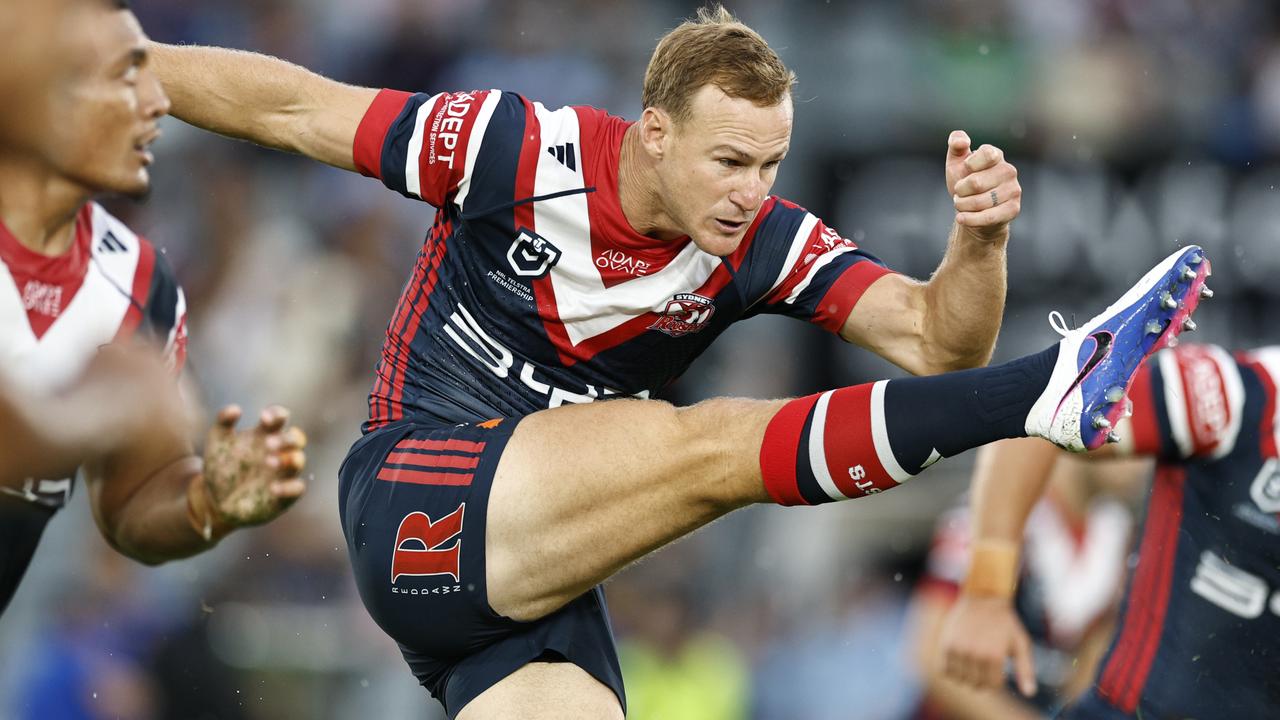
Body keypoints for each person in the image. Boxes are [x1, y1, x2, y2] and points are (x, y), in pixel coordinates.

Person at [150, 5, 1211, 717]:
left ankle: (1046, 388)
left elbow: (937, 341)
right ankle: (1044, 389)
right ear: (653, 133)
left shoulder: (761, 240)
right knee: (712, 445)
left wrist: (978, 244)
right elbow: (292, 107)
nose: (752, 192)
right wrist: (123, 69)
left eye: (771, 163)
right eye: (729, 160)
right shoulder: (514, 148)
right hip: (414, 501)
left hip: (527, 598)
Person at [0, 0, 309, 618]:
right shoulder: (120, 375)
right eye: (125, 75)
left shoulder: (140, 280)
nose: (158, 102)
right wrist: (113, 398)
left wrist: (204, 505)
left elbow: (134, 499)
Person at [937, 342, 1280, 719]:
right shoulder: (1242, 392)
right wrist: (987, 593)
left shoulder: (1114, 533)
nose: (1139, 466)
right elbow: (1041, 408)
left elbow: (1086, 661)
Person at [909, 453, 1146, 718]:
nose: (1143, 457)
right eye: (1123, 428)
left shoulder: (1119, 535)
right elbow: (933, 659)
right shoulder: (992, 518)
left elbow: (1087, 674)